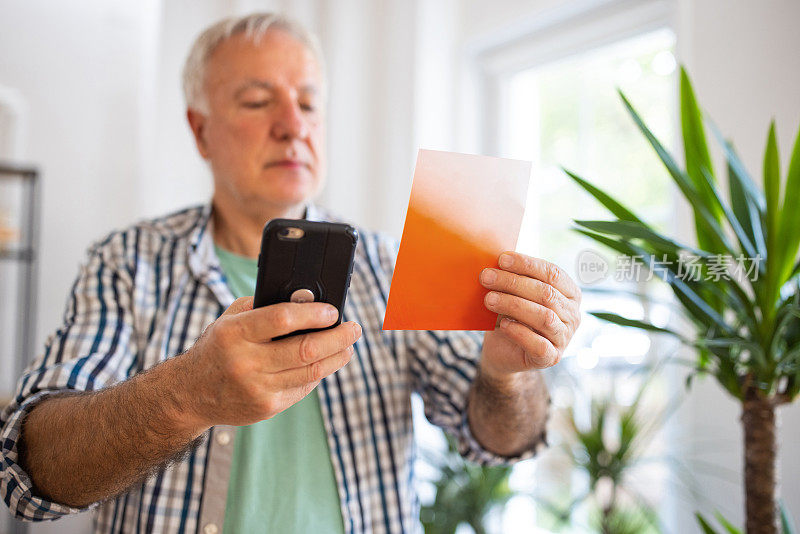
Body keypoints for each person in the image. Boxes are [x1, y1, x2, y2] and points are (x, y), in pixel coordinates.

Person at [0, 12, 581, 534]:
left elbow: (496, 440)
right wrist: (188, 394)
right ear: (200, 130)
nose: (292, 125)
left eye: (307, 103)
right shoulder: (126, 262)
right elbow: (28, 474)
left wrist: (507, 375)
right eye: (257, 101)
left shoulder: (388, 265)